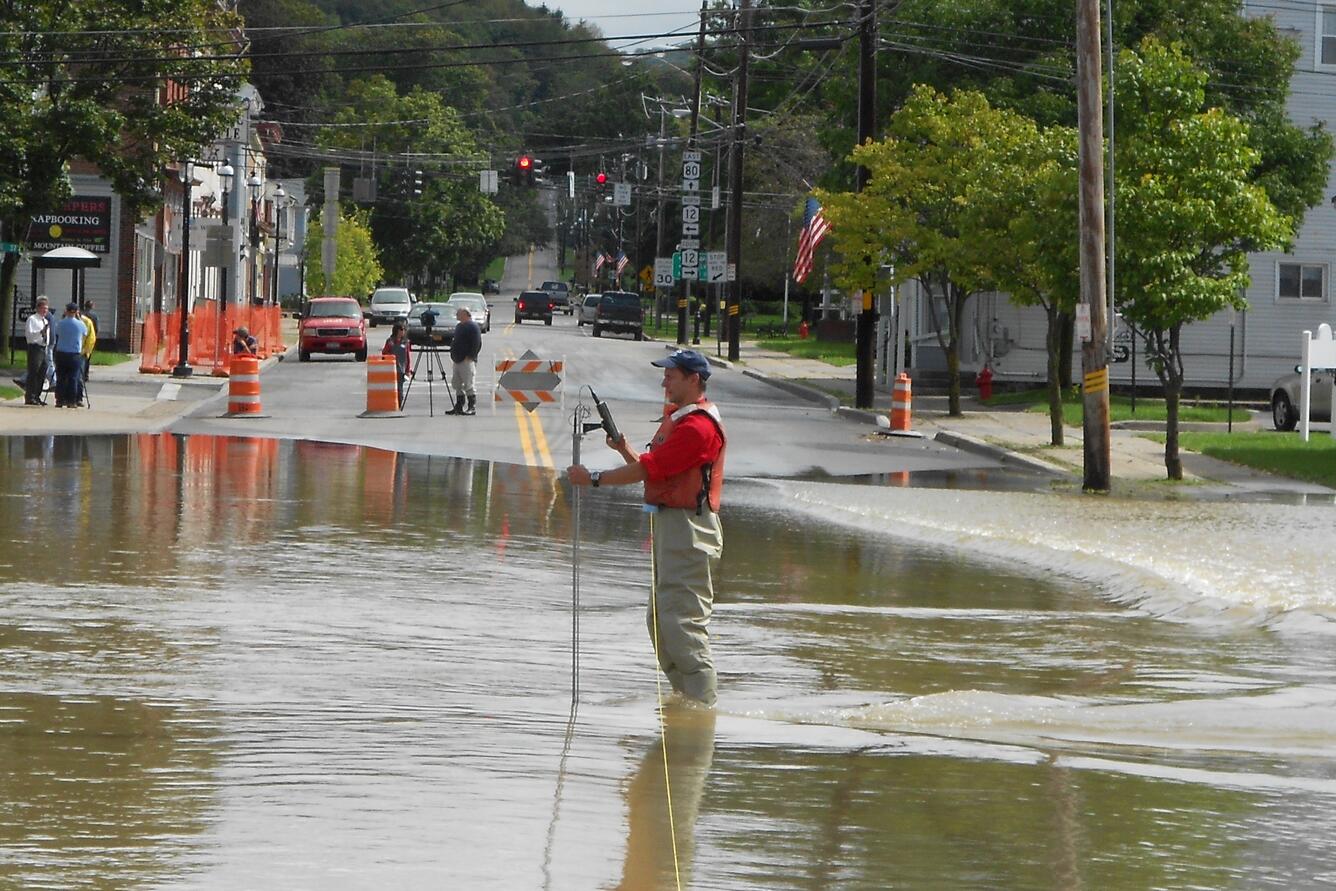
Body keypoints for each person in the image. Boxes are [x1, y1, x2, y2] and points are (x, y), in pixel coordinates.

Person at [566, 349, 726, 707]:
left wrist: (592, 478)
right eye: (665, 373)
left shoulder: (698, 427)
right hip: (673, 525)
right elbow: (657, 469)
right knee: (660, 621)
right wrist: (625, 449)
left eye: (672, 374)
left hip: (690, 530)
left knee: (682, 623)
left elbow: (649, 470)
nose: (664, 380)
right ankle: (685, 702)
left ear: (693, 379)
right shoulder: (681, 419)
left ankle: (703, 710)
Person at [51, 302, 88, 408]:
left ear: (66, 311)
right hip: (74, 354)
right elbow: (85, 333)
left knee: (61, 377)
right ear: (76, 312)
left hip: (61, 353)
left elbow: (57, 333)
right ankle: (71, 401)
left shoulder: (60, 323)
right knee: (73, 378)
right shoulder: (80, 324)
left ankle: (59, 400)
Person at [447, 306, 482, 416]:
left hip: (467, 360)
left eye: (459, 313)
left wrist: (471, 356)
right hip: (457, 359)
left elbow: (477, 343)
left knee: (468, 383)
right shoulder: (459, 326)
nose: (457, 315)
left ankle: (472, 406)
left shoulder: (473, 326)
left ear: (465, 314)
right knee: (456, 383)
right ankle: (459, 405)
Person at [22, 297, 51, 405]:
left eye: (47, 309)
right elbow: (30, 334)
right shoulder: (32, 319)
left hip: (43, 348)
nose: (45, 311)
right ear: (38, 308)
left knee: (42, 372)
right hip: (35, 347)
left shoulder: (45, 320)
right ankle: (30, 396)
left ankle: (37, 395)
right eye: (43, 308)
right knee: (33, 372)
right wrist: (40, 332)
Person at [381, 320, 412, 409]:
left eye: (404, 330)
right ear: (396, 330)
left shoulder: (406, 342)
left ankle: (399, 405)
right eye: (401, 329)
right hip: (391, 368)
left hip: (401, 369)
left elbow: (408, 357)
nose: (403, 332)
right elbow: (384, 353)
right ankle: (390, 404)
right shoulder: (390, 341)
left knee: (400, 389)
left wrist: (408, 370)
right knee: (390, 389)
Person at [77, 303, 97, 386]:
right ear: (92, 306)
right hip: (85, 346)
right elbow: (96, 328)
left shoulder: (83, 317)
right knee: (85, 362)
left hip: (75, 349)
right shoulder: (92, 317)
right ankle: (85, 376)